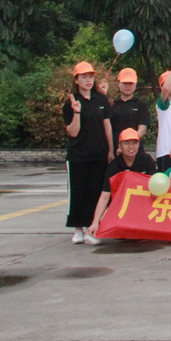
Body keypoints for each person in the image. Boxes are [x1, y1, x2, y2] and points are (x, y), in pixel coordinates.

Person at [64, 61, 114, 244]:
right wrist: (76, 112)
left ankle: (91, 229)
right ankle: (78, 229)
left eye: (90, 76)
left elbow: (107, 126)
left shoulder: (101, 100)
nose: (88, 80)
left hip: (99, 154)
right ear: (76, 80)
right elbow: (73, 132)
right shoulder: (71, 102)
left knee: (94, 192)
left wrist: (110, 150)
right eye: (84, 77)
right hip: (78, 156)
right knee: (78, 192)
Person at [85, 128, 157, 242]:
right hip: (123, 207)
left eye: (135, 143)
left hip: (143, 206)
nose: (131, 147)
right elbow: (105, 196)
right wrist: (95, 222)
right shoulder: (114, 166)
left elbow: (157, 184)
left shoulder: (146, 160)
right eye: (127, 143)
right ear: (120, 146)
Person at [110, 67, 150, 154]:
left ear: (135, 84)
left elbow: (142, 129)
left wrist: (129, 145)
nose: (128, 86)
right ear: (119, 84)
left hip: (135, 149)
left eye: (131, 83)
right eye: (125, 83)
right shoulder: (112, 104)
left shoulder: (141, 105)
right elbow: (108, 129)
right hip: (115, 149)